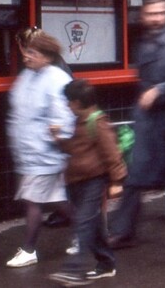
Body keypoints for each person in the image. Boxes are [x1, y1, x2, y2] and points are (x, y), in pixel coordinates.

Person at [108, 0, 165, 248]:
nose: (156, 18)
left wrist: (158, 91)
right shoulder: (143, 44)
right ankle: (123, 232)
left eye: (160, 13)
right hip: (147, 122)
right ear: (143, 16)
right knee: (135, 176)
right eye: (151, 14)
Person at [6, 27, 76, 268]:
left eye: (32, 52)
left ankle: (29, 249)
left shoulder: (58, 79)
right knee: (57, 200)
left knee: (32, 201)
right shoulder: (26, 76)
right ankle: (87, 232)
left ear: (46, 55)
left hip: (45, 153)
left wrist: (56, 142)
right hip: (28, 153)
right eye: (27, 51)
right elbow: (19, 112)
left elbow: (64, 117)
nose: (26, 56)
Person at [47, 79, 126, 286]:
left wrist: (117, 181)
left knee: (83, 222)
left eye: (69, 102)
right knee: (94, 225)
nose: (67, 105)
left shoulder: (97, 122)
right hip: (77, 181)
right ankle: (106, 264)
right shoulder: (80, 122)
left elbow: (112, 153)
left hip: (93, 181)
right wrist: (58, 140)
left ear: (78, 102)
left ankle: (74, 270)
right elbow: (76, 148)